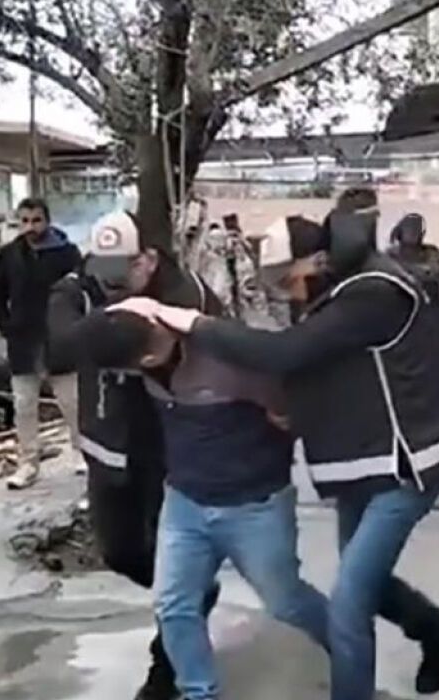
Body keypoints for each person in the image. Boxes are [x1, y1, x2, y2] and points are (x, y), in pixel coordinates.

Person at [116, 188, 439, 700]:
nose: (286, 294)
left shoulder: (372, 293)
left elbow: (285, 353)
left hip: (406, 465)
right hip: (366, 462)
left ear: (320, 260)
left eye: (288, 281)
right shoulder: (337, 292)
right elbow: (334, 372)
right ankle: (436, 628)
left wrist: (192, 322)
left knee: (348, 604)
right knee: (365, 581)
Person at [76, 286, 329, 700]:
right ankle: (198, 692)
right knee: (174, 606)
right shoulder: (133, 351)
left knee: (286, 601)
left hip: (254, 505)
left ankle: (349, 643)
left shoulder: (224, 358)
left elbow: (285, 405)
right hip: (185, 502)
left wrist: (275, 432)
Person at [46, 210, 206, 700]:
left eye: (126, 268)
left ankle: (168, 664)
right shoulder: (75, 291)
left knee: (173, 564)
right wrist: (121, 316)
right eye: (105, 268)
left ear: (149, 259)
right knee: (120, 552)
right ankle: (193, 597)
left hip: (169, 450)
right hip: (107, 447)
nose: (114, 280)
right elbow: (61, 349)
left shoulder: (183, 291)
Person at [0, 197, 82, 489]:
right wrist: (7, 328)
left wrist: (74, 329)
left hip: (60, 340)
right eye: (25, 221)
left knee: (72, 403)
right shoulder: (9, 255)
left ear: (47, 221)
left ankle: (81, 453)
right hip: (23, 341)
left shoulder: (67, 254)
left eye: (37, 220)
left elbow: (82, 293)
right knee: (24, 405)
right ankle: (28, 463)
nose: (30, 227)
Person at [387, 212, 439, 302]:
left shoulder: (431, 253)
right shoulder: (390, 256)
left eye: (415, 230)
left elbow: (434, 273)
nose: (412, 233)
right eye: (410, 230)